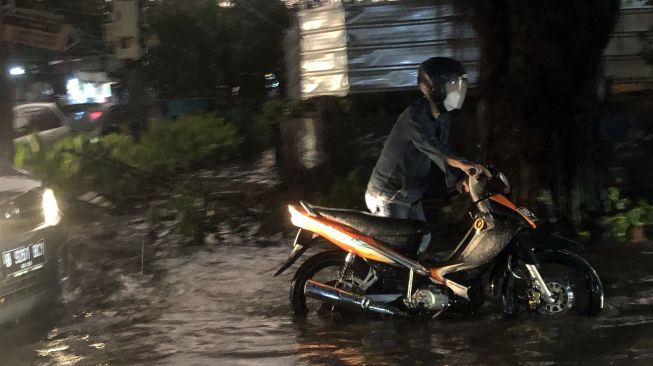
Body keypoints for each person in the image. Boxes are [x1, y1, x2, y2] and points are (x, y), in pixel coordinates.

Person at [365, 57, 489, 255]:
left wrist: (460, 181)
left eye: (461, 86)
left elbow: (445, 151)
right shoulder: (415, 116)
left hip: (411, 195)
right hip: (388, 195)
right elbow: (433, 147)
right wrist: (464, 165)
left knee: (422, 240)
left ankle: (407, 285)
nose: (459, 92)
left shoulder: (443, 118)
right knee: (397, 252)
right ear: (435, 88)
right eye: (453, 87)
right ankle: (381, 284)